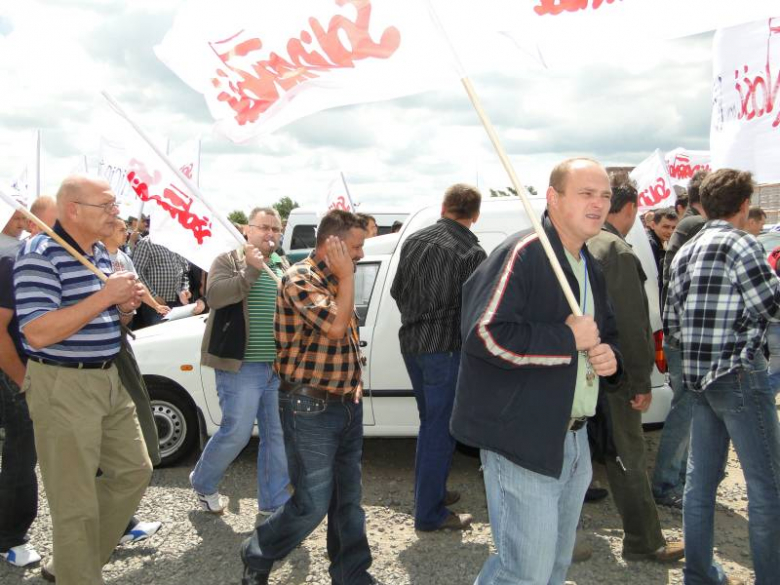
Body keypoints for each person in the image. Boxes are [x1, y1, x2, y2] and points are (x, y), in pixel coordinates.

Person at [452, 158, 622, 584]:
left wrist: (611, 359)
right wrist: (565, 339)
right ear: (554, 198)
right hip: (522, 439)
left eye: (605, 196)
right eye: (586, 193)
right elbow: (483, 335)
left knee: (554, 567)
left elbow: (606, 335)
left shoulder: (591, 266)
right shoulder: (523, 254)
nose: (598, 204)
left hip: (575, 439)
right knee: (523, 572)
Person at [13, 175, 153, 585]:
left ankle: (73, 563)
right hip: (63, 384)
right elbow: (36, 331)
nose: (116, 213)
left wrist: (122, 307)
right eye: (106, 206)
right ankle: (78, 573)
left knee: (133, 472)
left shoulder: (97, 252)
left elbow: (103, 315)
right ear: (73, 210)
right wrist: (105, 298)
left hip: (108, 377)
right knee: (74, 502)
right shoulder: (40, 253)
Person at [240, 210, 374, 585]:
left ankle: (352, 574)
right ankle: (257, 550)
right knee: (312, 503)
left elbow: (342, 344)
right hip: (309, 408)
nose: (360, 254)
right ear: (331, 244)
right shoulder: (300, 278)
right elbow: (334, 328)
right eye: (356, 246)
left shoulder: (336, 278)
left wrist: (353, 385)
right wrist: (347, 279)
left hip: (346, 404)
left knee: (347, 500)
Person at [665, 168, 780, 585]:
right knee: (766, 488)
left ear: (702, 204)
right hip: (738, 374)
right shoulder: (741, 244)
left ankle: (698, 574)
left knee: (700, 484)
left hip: (699, 380)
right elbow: (770, 304)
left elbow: (672, 323)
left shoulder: (686, 249)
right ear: (744, 205)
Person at [586, 174, 684, 563]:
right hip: (615, 374)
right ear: (629, 209)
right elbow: (631, 326)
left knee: (577, 453)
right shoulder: (615, 250)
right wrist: (640, 381)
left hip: (582, 371)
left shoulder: (583, 242)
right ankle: (645, 541)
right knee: (626, 453)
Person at [390, 183, 485, 531]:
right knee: (439, 428)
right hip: (444, 348)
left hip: (413, 343)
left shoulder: (413, 240)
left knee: (431, 423)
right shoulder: (471, 252)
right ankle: (429, 513)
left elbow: (396, 290)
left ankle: (432, 493)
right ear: (475, 215)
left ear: (443, 206)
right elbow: (478, 308)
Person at [191, 207, 290, 516]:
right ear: (248, 230)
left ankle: (274, 501)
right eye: (264, 227)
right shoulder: (228, 260)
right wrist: (250, 270)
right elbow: (217, 297)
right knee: (237, 432)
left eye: (275, 228)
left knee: (277, 434)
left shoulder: (282, 264)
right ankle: (203, 481)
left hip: (275, 366)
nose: (270, 233)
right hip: (241, 365)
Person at [653, 170, 709, 508]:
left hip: (681, 334)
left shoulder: (688, 224)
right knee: (685, 411)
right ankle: (666, 483)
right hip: (686, 337)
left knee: (688, 410)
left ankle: (678, 478)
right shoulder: (694, 226)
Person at [0, 255, 39, 569]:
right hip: (19, 375)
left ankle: (116, 522)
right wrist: (22, 381)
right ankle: (10, 536)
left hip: (47, 372)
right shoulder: (9, 264)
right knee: (22, 453)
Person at [103, 219, 172, 319]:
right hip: (104, 317)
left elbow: (138, 285)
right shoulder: (95, 257)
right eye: (122, 230)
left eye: (126, 230)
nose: (127, 234)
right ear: (108, 232)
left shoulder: (125, 258)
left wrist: (156, 306)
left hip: (125, 317)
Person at [132, 234, 190, 327]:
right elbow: (137, 272)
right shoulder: (146, 243)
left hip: (178, 303)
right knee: (160, 335)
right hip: (155, 306)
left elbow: (184, 271)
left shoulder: (177, 243)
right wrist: (153, 296)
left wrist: (184, 289)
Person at [646, 207, 677, 285]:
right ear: (653, 225)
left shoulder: (658, 242)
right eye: (666, 227)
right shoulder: (651, 244)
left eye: (673, 227)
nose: (670, 231)